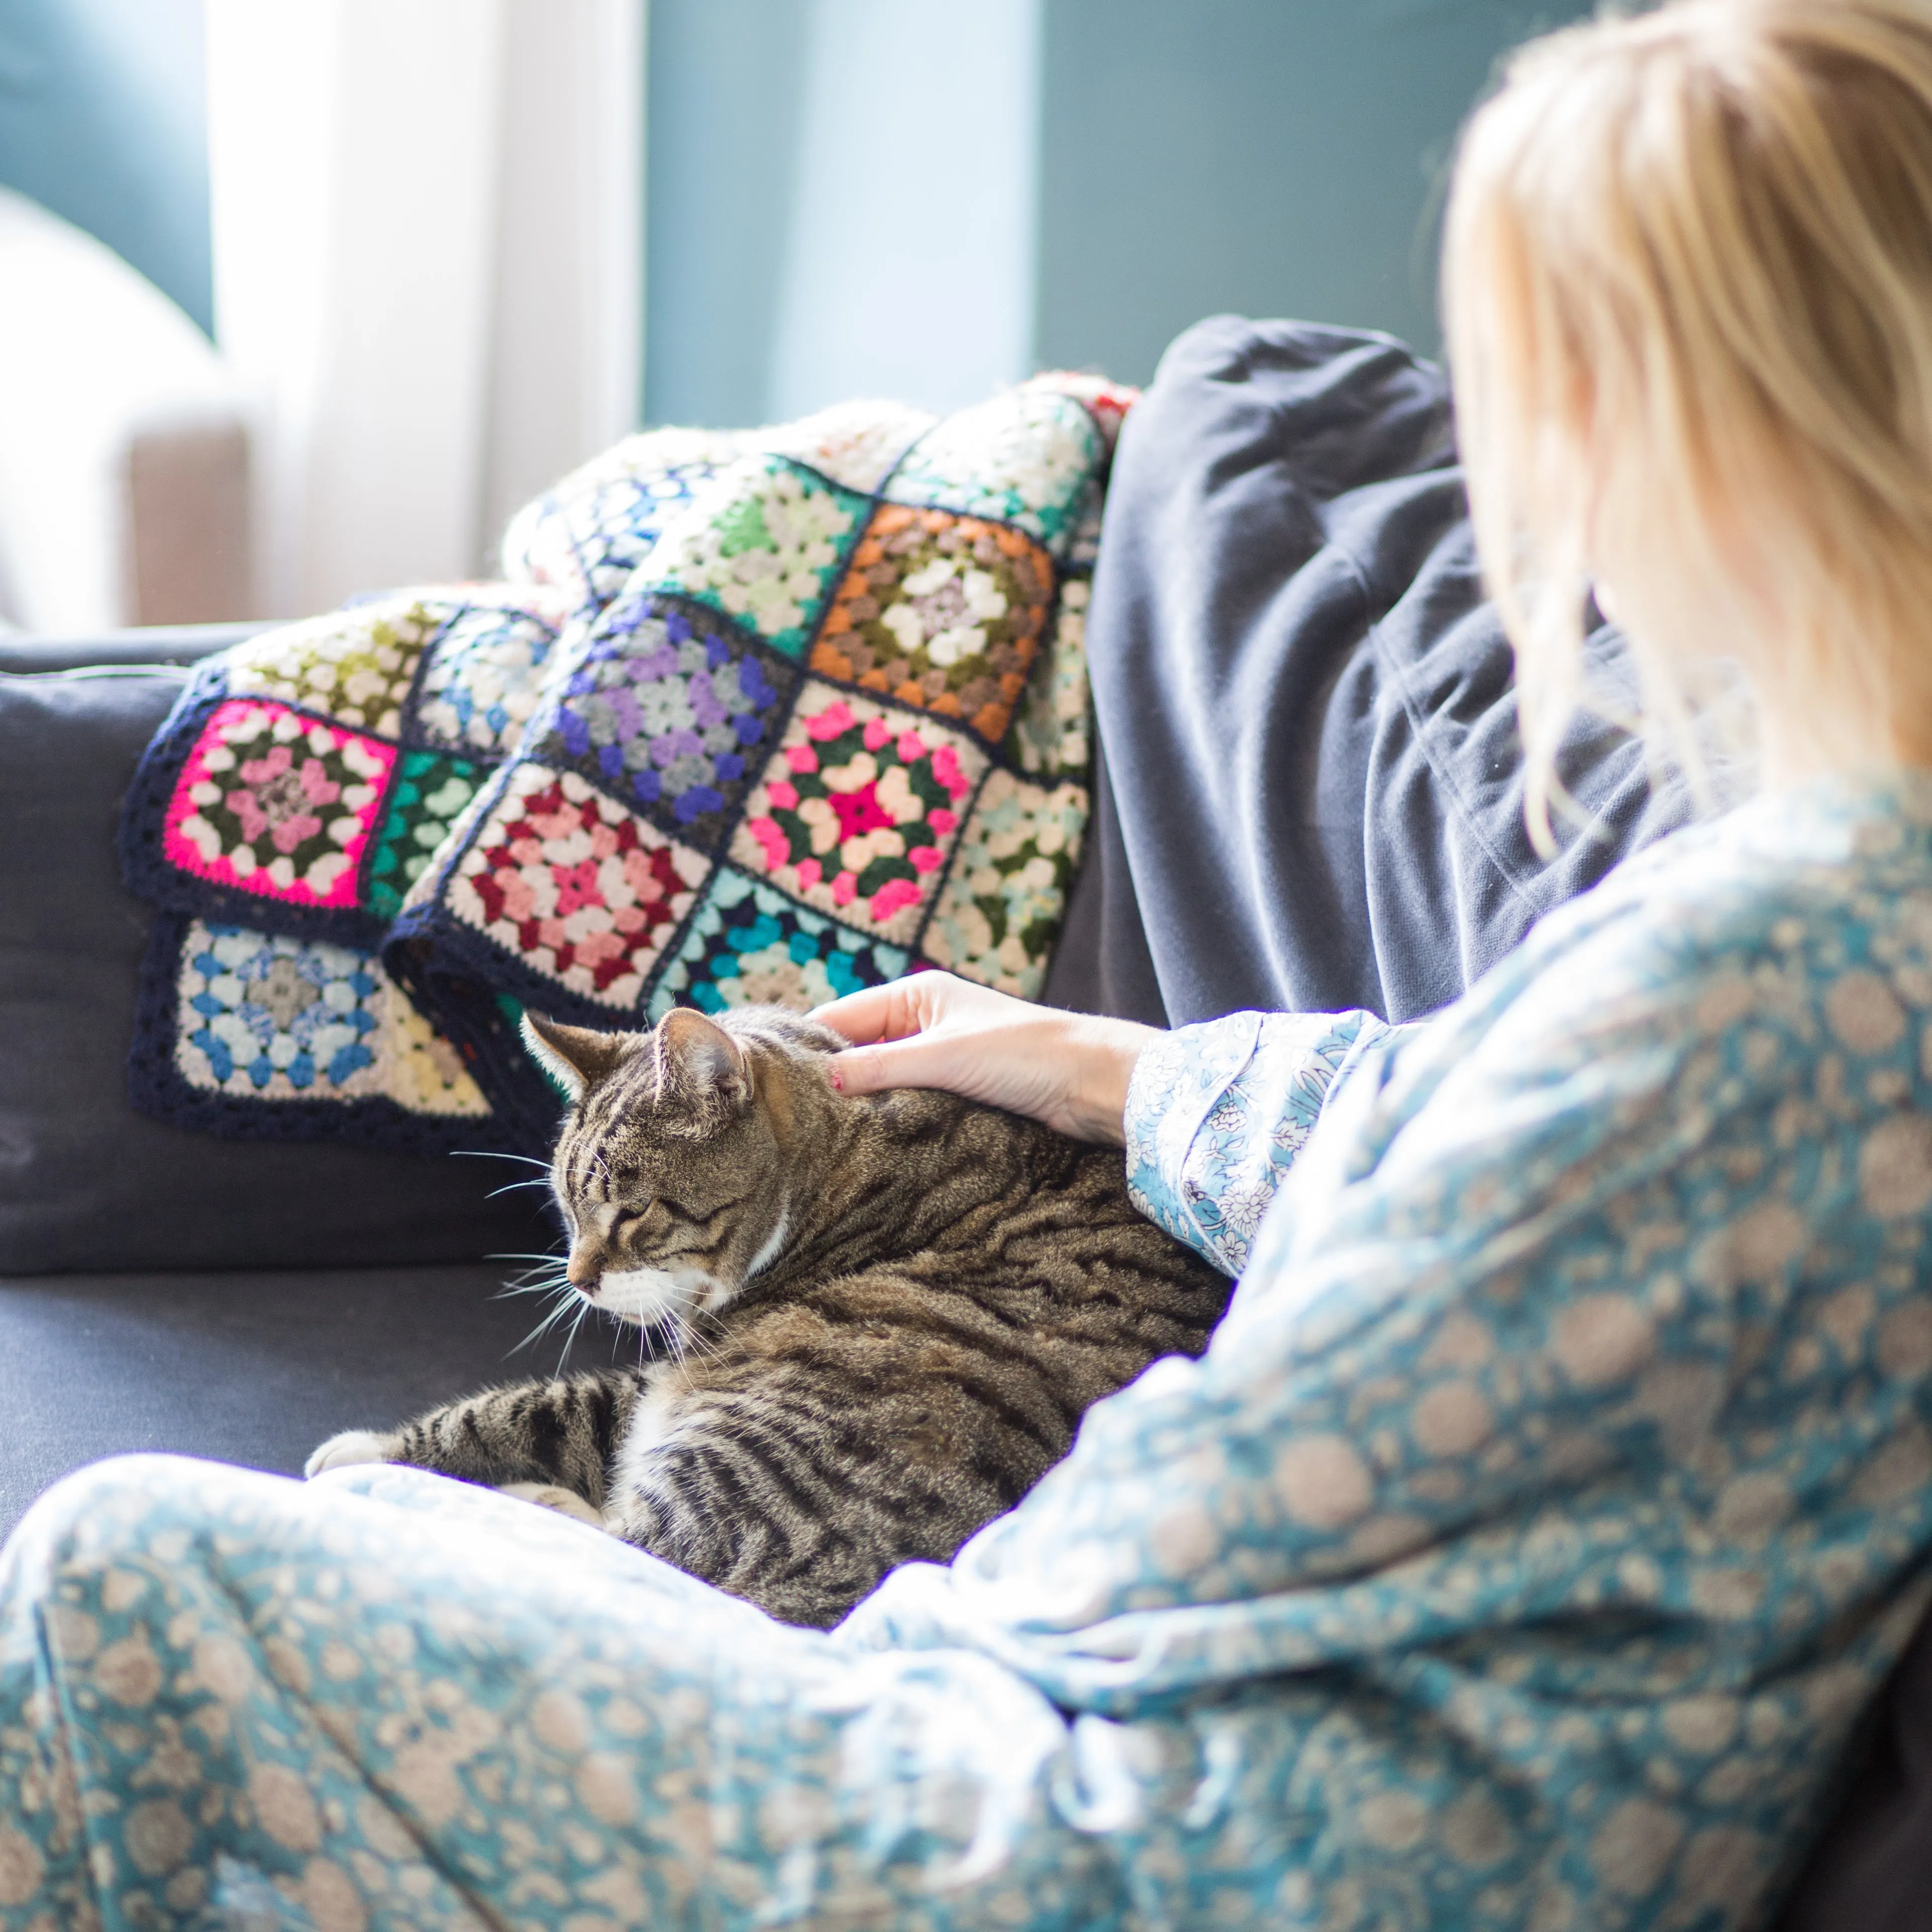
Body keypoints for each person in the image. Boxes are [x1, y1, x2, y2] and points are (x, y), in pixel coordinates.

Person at [5, 3, 1932, 1925]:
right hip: (1239, 1756)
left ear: (1718, 438)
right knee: (374, 1545)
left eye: (1547, 396)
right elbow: (1458, 1143)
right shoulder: (1829, 902)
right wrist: (1101, 1067)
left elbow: (1269, 1483)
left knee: (120, 1564)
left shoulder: (1772, 963)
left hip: (1139, 1827)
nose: (1533, 482)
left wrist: (879, 1641)